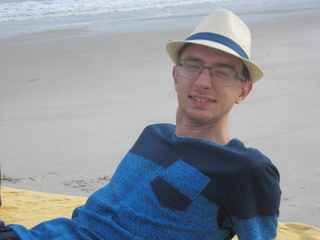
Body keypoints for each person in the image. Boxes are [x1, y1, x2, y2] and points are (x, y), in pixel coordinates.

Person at [0, 9, 281, 240]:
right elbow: (99, 216)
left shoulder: (247, 170)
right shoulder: (152, 135)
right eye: (193, 66)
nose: (202, 82)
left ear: (243, 91)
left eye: (222, 73)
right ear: (176, 75)